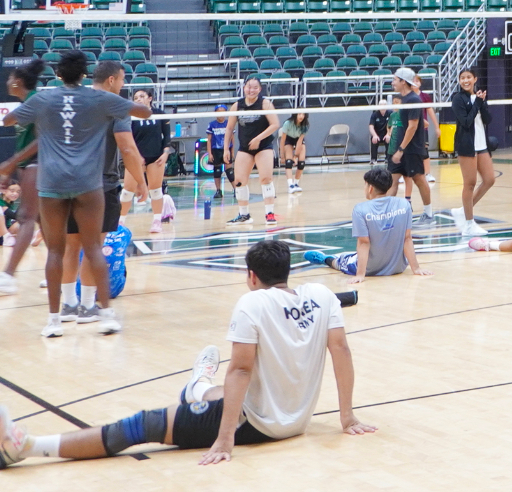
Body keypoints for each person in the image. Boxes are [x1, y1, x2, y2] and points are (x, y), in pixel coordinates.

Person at [0, 238, 371, 467]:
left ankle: (28, 447)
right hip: (296, 420)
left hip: (255, 424)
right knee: (217, 394)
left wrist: (224, 440)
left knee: (140, 425)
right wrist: (347, 417)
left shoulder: (251, 303)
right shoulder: (322, 296)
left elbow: (240, 371)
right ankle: (197, 385)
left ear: (251, 276)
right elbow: (341, 352)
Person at [0, 51, 145, 337]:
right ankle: (104, 315)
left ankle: (55, 320)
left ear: (58, 74)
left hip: (53, 184)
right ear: (83, 74)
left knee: (56, 251)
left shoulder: (45, 99)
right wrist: (125, 106)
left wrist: (32, 108)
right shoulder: (98, 99)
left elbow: (9, 120)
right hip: (90, 183)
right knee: (94, 249)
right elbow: (144, 113)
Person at [302, 167, 428, 280]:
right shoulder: (404, 205)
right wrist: (416, 269)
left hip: (370, 270)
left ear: (370, 188)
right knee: (354, 254)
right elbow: (407, 239)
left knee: (340, 261)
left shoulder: (360, 210)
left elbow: (364, 243)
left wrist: (360, 274)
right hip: (398, 267)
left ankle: (325, 259)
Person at [1, 63, 41, 296]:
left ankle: (7, 276)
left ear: (17, 82)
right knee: (45, 222)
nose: (7, 82)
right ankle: (60, 274)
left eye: (10, 78)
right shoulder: (26, 104)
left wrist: (11, 164)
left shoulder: (35, 102)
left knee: (26, 217)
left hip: (40, 165)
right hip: (29, 167)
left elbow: (39, 140)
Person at [446, 66, 498, 235]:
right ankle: (469, 223)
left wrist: (481, 103)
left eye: (469, 77)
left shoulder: (478, 98)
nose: (466, 80)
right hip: (466, 145)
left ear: (475, 79)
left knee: (490, 179)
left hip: (482, 145)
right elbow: (466, 122)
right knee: (469, 183)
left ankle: (463, 210)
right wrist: (477, 103)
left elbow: (488, 119)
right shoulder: (457, 99)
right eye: (462, 78)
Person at [227, 75, 278, 226]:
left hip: (263, 147)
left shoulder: (265, 103)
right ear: (244, 88)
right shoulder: (237, 106)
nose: (252, 90)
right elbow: (229, 128)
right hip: (244, 148)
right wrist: (226, 149)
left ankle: (269, 213)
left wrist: (258, 139)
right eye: (249, 87)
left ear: (260, 89)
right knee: (239, 181)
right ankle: (244, 215)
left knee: (266, 179)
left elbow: (274, 124)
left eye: (255, 87)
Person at [388, 67, 433, 217]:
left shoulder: (413, 99)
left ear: (403, 81)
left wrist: (401, 150)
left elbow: (412, 127)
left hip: (411, 149)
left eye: (395, 79)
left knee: (419, 179)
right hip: (399, 149)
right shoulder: (403, 100)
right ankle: (385, 213)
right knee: (392, 181)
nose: (393, 82)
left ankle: (428, 214)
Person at [129, 88, 175, 230]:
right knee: (128, 191)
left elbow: (166, 136)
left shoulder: (160, 114)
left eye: (141, 96)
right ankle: (121, 221)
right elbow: (128, 138)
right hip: (137, 157)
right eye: (136, 97)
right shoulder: (131, 116)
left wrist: (165, 153)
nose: (138, 99)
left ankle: (157, 221)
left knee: (156, 190)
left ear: (150, 98)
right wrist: (135, 156)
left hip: (156, 157)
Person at [277, 111, 308, 194]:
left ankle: (296, 183)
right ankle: (290, 185)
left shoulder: (305, 125)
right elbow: (283, 140)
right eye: (299, 114)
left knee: (301, 163)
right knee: (289, 161)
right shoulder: (288, 123)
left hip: (298, 139)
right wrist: (282, 155)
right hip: (289, 139)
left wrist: (296, 156)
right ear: (295, 114)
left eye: (303, 114)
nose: (301, 116)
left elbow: (299, 142)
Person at [367, 99, 391, 165]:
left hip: (387, 133)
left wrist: (388, 134)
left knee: (389, 139)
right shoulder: (374, 115)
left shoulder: (390, 113)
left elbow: (392, 126)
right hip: (377, 134)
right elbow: (371, 126)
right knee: (374, 139)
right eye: (381, 105)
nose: (383, 107)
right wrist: (374, 135)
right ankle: (373, 159)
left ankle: (388, 158)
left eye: (384, 105)